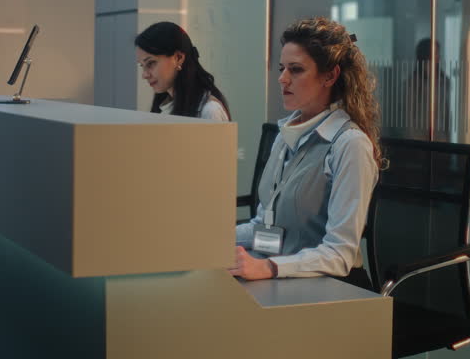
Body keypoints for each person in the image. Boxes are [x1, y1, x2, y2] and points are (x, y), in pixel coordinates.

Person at [231, 17, 381, 289]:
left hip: (334, 288)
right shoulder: (286, 134)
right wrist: (211, 239)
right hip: (285, 277)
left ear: (330, 75)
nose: (282, 78)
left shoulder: (350, 144)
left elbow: (340, 254)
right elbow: (264, 225)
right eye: (282, 68)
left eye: (296, 70)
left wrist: (267, 267)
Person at [134, 22, 230, 121]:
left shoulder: (209, 110)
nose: (144, 75)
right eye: (142, 65)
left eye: (151, 63)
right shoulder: (165, 107)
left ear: (178, 58)